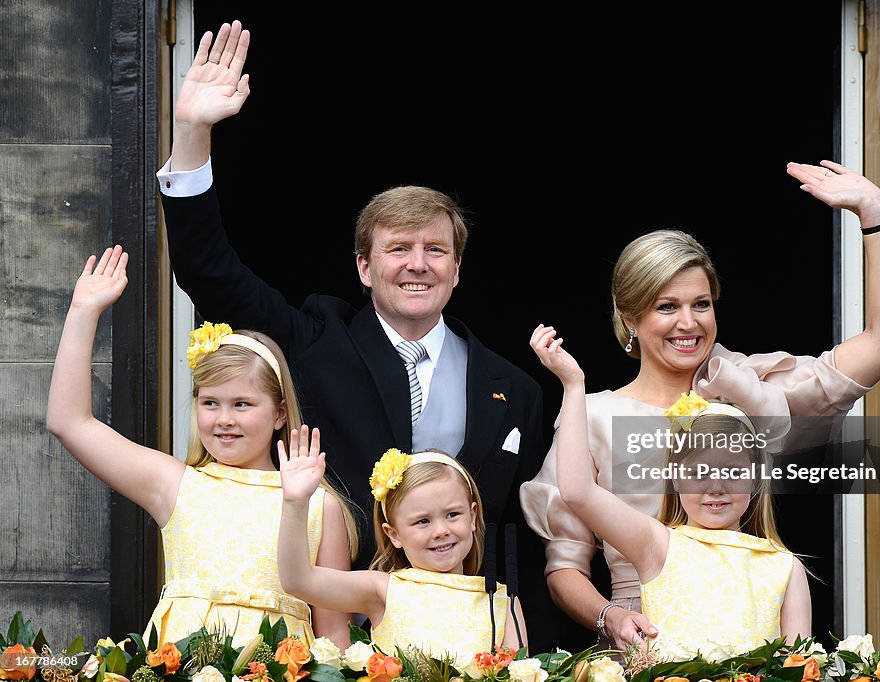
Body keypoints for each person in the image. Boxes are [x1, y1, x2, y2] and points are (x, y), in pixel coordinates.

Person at [155, 20, 555, 647]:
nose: (417, 264)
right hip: (333, 630)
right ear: (365, 269)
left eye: (435, 250)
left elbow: (520, 542)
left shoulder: (516, 390)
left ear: (457, 269)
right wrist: (192, 133)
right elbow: (210, 271)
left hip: (466, 641)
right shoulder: (316, 340)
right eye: (397, 249)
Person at [520, 161, 880, 651]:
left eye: (701, 304)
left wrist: (873, 214)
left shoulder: (750, 389)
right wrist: (612, 619)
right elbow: (564, 568)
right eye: (667, 306)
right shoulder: (595, 416)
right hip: (645, 649)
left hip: (749, 647)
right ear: (630, 318)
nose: (689, 323)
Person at [45, 245, 358, 648]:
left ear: (280, 413)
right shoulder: (177, 485)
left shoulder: (319, 505)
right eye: (210, 403)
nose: (224, 418)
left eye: (242, 404)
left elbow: (334, 632)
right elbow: (69, 422)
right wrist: (82, 312)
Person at [531, 326, 810, 657]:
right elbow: (577, 491)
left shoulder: (784, 566)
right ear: (675, 478)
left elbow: (798, 665)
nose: (716, 487)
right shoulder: (657, 544)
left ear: (755, 478)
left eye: (733, 472)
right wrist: (573, 385)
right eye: (699, 472)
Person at [278, 442, 527, 661]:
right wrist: (296, 502)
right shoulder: (383, 590)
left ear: (472, 517)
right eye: (422, 521)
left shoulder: (502, 602)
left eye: (453, 515)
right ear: (393, 534)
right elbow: (298, 580)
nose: (440, 530)